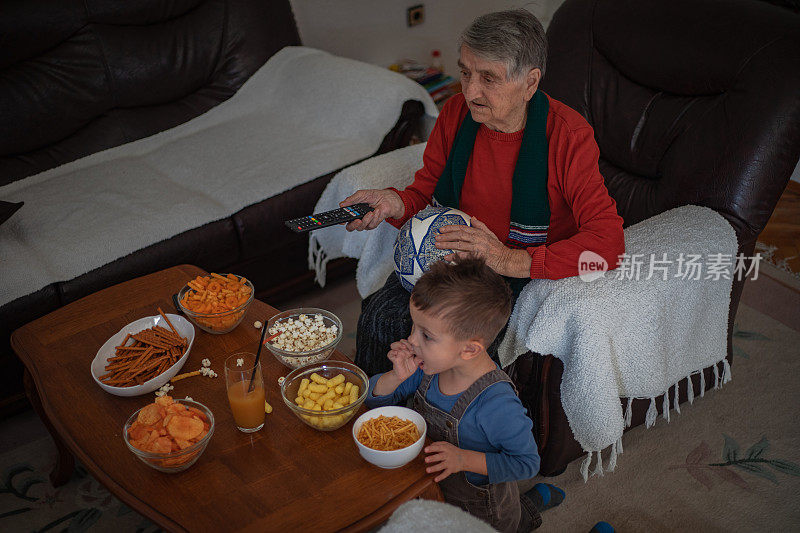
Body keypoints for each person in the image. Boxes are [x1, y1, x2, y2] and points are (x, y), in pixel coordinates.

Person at [341, 9, 625, 377]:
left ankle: (431, 429)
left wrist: (507, 260)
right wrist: (395, 202)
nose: (470, 91)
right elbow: (425, 192)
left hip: (511, 270)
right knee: (380, 316)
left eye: (488, 78)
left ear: (530, 83)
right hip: (447, 256)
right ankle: (376, 424)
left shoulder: (568, 137)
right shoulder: (456, 114)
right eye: (465, 72)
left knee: (448, 347)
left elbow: (608, 244)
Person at [365, 257, 563, 532]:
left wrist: (463, 459)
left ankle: (528, 508)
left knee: (512, 524)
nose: (411, 340)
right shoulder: (428, 367)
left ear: (469, 350)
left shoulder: (496, 404)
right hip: (433, 496)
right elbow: (373, 400)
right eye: (414, 327)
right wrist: (396, 376)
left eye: (426, 335)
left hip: (483, 516)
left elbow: (527, 463)